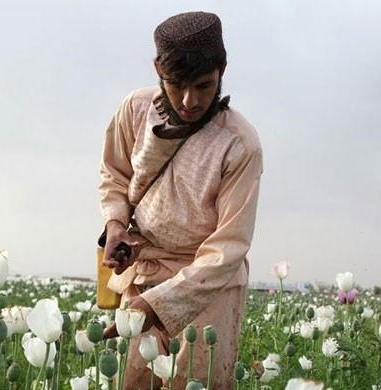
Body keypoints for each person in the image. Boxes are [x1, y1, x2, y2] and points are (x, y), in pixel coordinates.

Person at [98, 11, 262, 389]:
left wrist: (160, 305)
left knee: (195, 382)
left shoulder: (239, 143)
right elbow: (114, 173)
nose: (190, 101)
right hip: (145, 272)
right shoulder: (135, 110)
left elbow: (229, 246)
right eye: (176, 85)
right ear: (157, 69)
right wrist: (116, 224)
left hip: (208, 287)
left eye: (204, 86)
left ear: (223, 69)